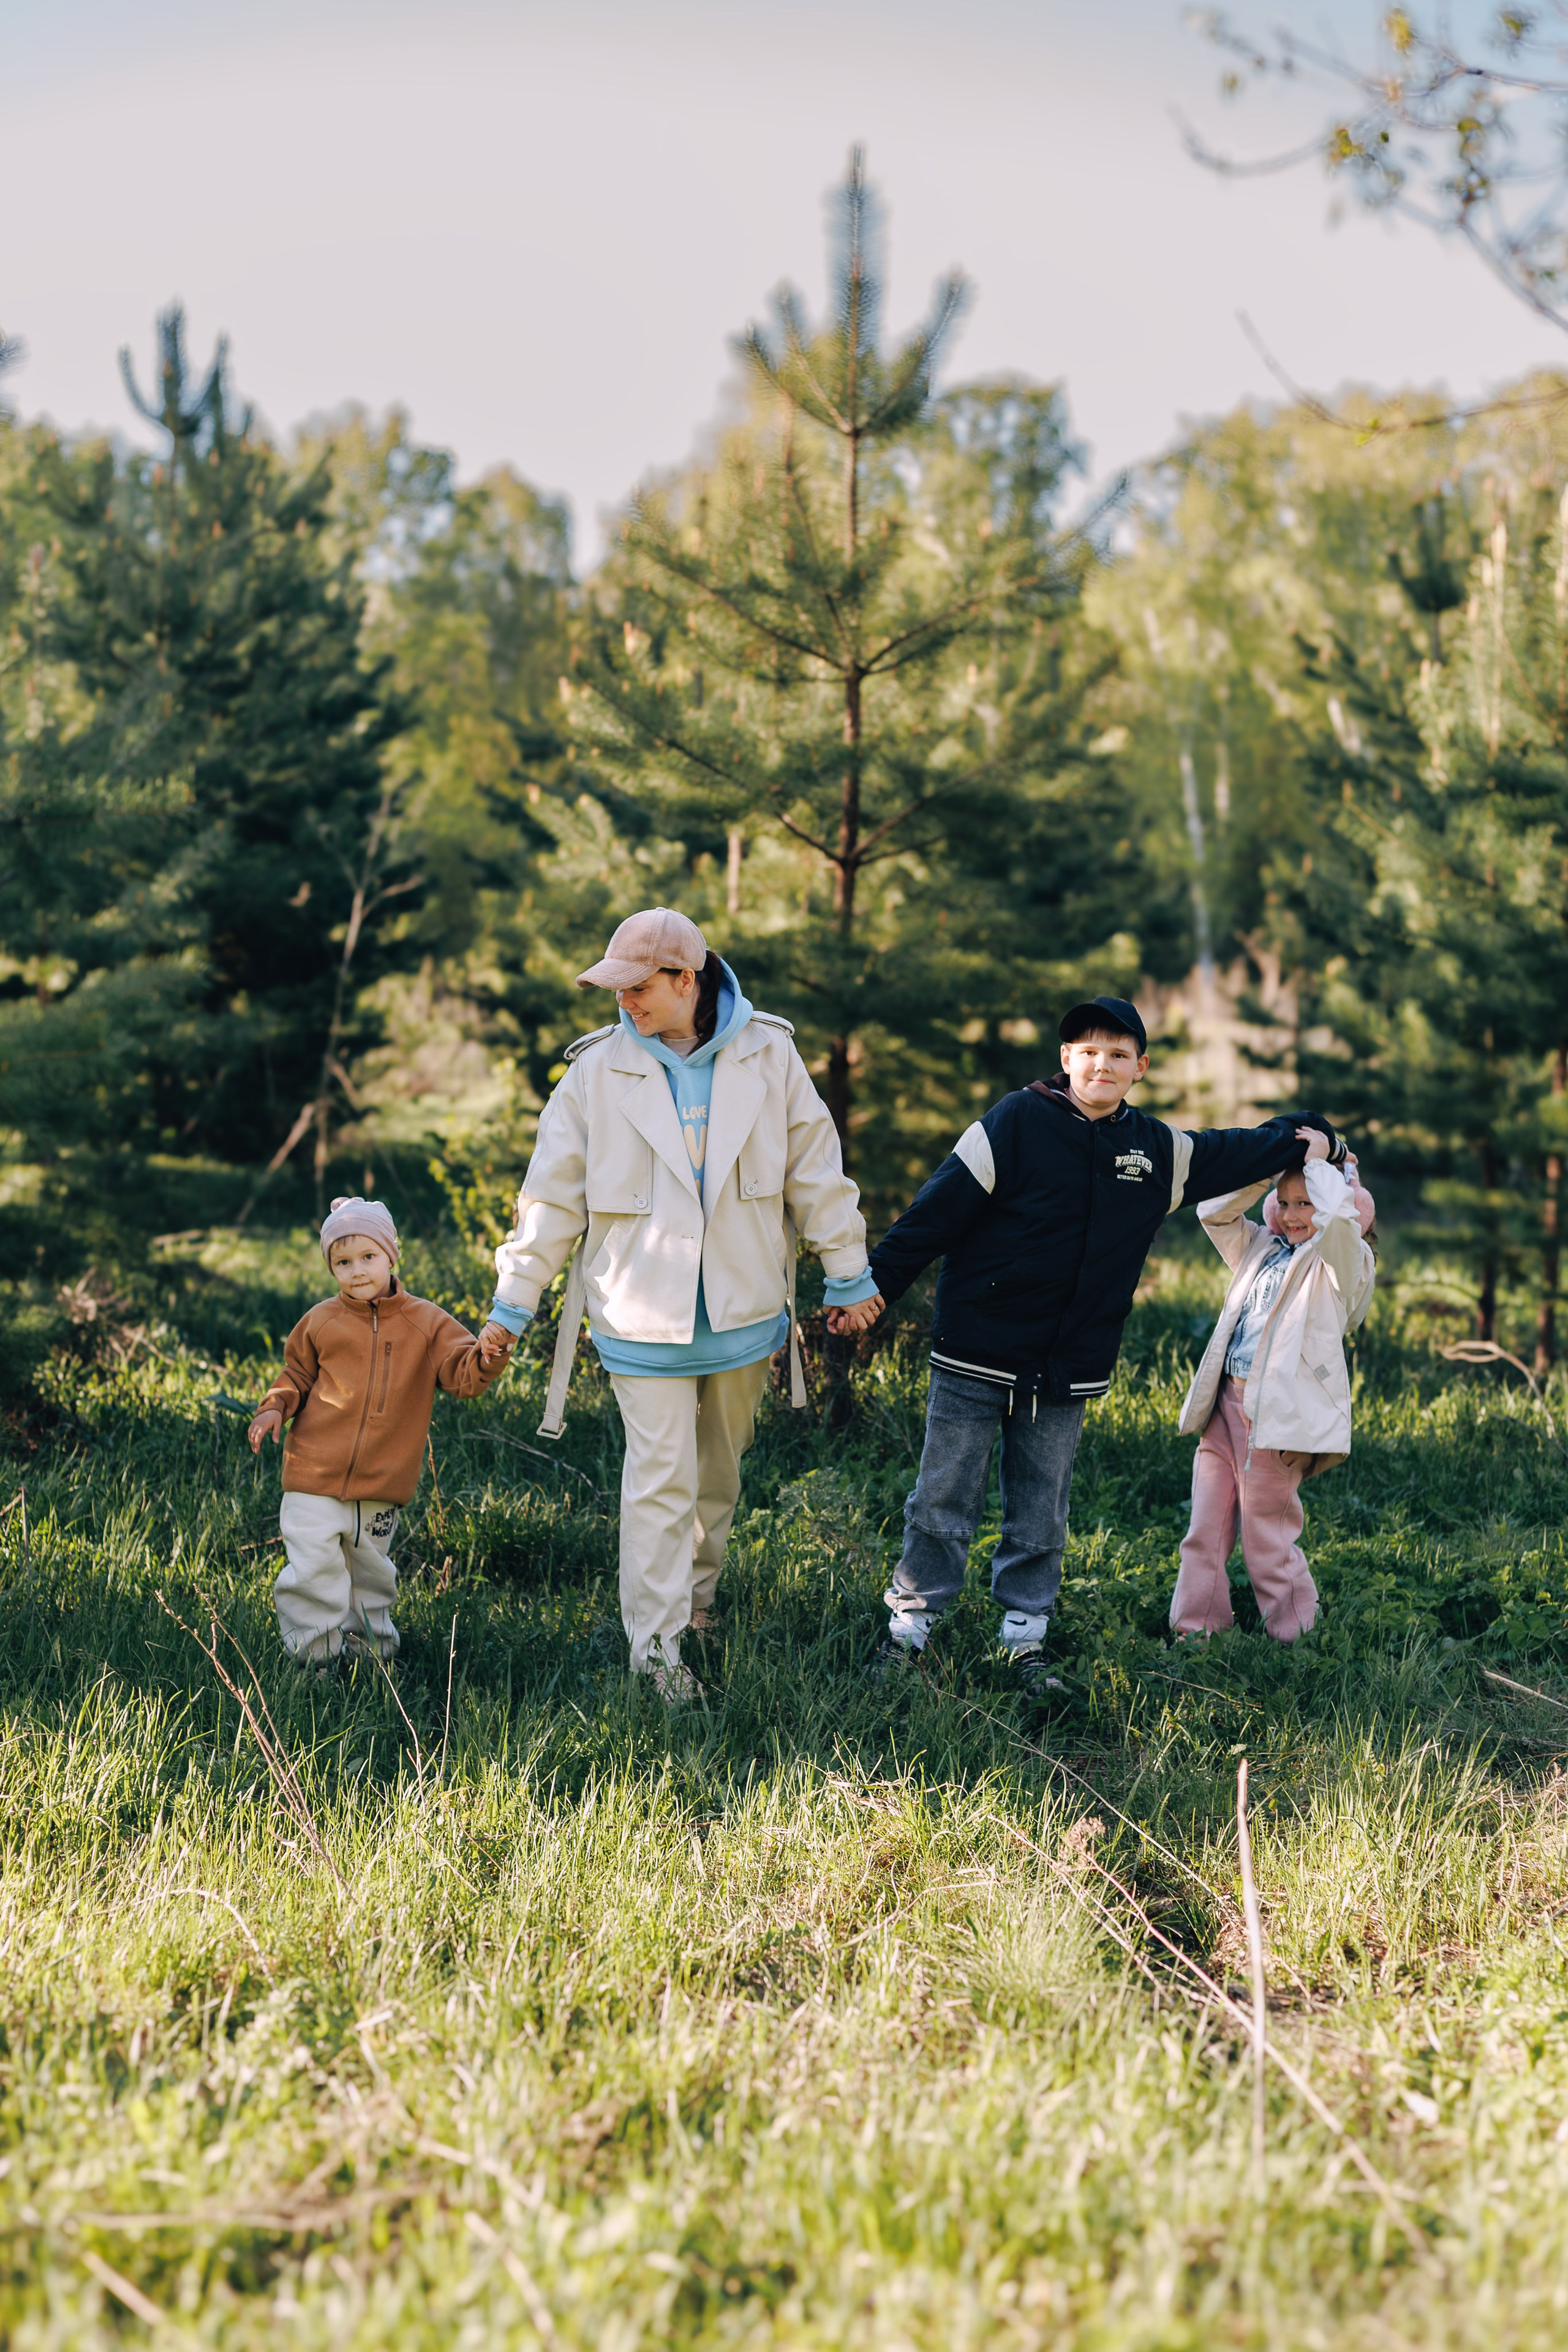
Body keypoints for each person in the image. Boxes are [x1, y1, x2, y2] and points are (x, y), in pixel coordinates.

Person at [850, 995, 1347, 1690]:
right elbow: (935, 1212)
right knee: (942, 1500)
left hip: (1065, 1368)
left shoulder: (1155, 1149)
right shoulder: (1014, 1122)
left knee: (1041, 1509)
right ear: (1065, 1060)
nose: (1102, 1064)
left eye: (1118, 1054)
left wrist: (1316, 1139)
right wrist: (871, 1287)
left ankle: (1025, 1640)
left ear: (1139, 1068)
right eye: (1088, 1051)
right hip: (975, 1351)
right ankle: (910, 1631)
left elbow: (1241, 1148)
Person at [479, 909, 878, 1702]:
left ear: (685, 980)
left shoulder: (770, 1051)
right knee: (658, 1483)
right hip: (641, 1320)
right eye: (616, 989)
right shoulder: (596, 1070)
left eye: (637, 988)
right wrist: (511, 1308)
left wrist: (848, 1272)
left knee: (716, 1480)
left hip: (742, 1313)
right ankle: (656, 1656)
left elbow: (815, 1168)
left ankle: (697, 1609)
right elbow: (551, 1197)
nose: (624, 1004)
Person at [249, 1197, 512, 1665]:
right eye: (343, 1262)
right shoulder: (320, 1321)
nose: (357, 1271)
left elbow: (462, 1375)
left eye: (368, 1257)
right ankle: (313, 1660)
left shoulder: (427, 1322)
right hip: (313, 1472)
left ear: (393, 1255)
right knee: (313, 1568)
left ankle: (371, 1658)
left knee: (371, 1574)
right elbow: (295, 1375)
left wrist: (489, 1356)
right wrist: (274, 1408)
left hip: (383, 1482)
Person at [1167, 1133, 1376, 1642]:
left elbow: (1337, 1226)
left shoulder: (1342, 1265)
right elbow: (1213, 1212)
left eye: (1304, 1202)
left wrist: (1327, 1161)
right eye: (1283, 1202)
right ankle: (1197, 1632)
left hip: (1278, 1419)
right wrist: (1271, 1165)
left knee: (1268, 1534)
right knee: (1205, 1528)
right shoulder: (1262, 1246)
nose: (1290, 1214)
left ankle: (1296, 1635)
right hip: (1225, 1408)